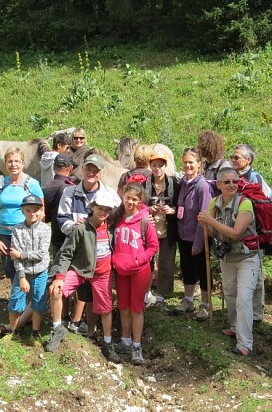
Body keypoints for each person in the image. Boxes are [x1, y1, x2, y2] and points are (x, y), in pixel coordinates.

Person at [44, 190, 122, 363]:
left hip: (103, 273)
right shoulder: (81, 228)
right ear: (92, 207)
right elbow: (66, 254)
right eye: (100, 209)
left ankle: (108, 342)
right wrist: (60, 276)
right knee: (56, 290)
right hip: (80, 270)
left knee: (106, 307)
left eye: (107, 210)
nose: (103, 213)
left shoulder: (111, 227)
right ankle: (57, 328)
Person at [57, 153, 121, 335]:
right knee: (68, 287)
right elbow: (62, 218)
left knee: (95, 294)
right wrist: (74, 228)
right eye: (89, 168)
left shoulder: (109, 194)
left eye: (96, 170)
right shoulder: (70, 192)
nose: (91, 172)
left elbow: (117, 218)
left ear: (101, 173)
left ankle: (90, 327)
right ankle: (63, 322)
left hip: (100, 252)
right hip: (77, 249)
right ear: (83, 169)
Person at [197, 167, 260, 356]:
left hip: (247, 257)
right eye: (227, 182)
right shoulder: (214, 204)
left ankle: (245, 343)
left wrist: (210, 221)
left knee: (243, 298)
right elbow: (213, 232)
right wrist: (205, 225)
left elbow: (235, 233)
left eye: (235, 181)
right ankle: (234, 327)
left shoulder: (245, 203)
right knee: (231, 294)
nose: (232, 184)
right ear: (219, 185)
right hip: (227, 256)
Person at [230, 143, 272, 324]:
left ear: (248, 160)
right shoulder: (231, 178)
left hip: (255, 235)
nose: (233, 160)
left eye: (237, 157)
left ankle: (256, 314)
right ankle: (241, 312)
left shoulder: (256, 179)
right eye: (232, 157)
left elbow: (269, 206)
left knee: (255, 274)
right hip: (235, 232)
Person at [112, 183, 159, 365]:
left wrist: (140, 259)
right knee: (123, 306)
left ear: (140, 201)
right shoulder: (117, 217)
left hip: (139, 270)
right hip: (121, 270)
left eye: (134, 199)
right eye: (128, 197)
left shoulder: (145, 220)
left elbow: (154, 246)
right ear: (123, 196)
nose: (130, 202)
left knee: (136, 308)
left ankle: (137, 344)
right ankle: (125, 340)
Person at [0, 194, 52, 339]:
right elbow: (13, 255)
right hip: (22, 272)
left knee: (37, 302)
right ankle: (14, 331)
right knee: (15, 300)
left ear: (41, 211)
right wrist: (21, 276)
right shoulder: (17, 229)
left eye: (36, 210)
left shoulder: (45, 230)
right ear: (23, 211)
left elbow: (41, 253)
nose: (32, 213)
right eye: (28, 210)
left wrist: (21, 255)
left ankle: (35, 332)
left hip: (40, 271)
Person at [0, 147, 44, 283]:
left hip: (25, 234)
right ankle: (16, 301)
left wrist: (34, 234)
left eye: (17, 161)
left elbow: (41, 211)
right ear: (5, 164)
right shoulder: (1, 184)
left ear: (23, 163)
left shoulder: (32, 184)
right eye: (10, 161)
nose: (13, 165)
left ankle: (28, 302)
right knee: (10, 270)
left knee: (27, 270)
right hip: (5, 235)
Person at [173, 147, 213, 320]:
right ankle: (188, 300)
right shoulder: (183, 183)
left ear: (199, 165)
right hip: (183, 235)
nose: (188, 165)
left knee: (202, 271)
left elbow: (204, 216)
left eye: (191, 162)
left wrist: (198, 242)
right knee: (187, 268)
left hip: (199, 236)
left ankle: (205, 304)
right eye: (185, 162)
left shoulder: (202, 187)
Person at [144, 153, 179, 312]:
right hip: (149, 229)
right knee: (147, 263)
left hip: (168, 229)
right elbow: (138, 204)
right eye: (154, 165)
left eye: (160, 165)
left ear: (166, 166)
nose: (157, 168)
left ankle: (161, 295)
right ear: (150, 166)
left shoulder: (174, 183)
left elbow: (181, 205)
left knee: (166, 262)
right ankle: (145, 292)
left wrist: (172, 210)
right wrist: (147, 210)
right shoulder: (145, 183)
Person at [43, 153, 77, 253]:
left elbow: (44, 216)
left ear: (53, 167)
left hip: (56, 238)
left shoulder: (45, 188)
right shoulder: (73, 188)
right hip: (71, 237)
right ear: (71, 168)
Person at [197, 130, 232, 196]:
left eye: (201, 145)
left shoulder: (223, 166)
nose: (198, 147)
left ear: (209, 147)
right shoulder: (204, 164)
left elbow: (228, 190)